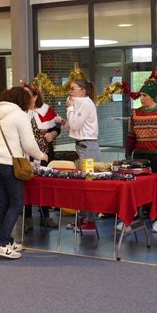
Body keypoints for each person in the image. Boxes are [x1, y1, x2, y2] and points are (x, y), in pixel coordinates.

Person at [0, 87, 48, 259]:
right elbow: (29, 144)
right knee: (16, 204)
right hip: (11, 164)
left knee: (4, 203)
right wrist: (42, 155)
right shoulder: (20, 116)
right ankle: (4, 243)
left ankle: (8, 240)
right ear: (22, 100)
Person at [125, 78, 157, 231]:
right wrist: (128, 154)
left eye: (145, 95)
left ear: (152, 96)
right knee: (138, 188)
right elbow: (131, 136)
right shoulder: (135, 114)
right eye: (141, 95)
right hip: (139, 157)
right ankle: (135, 216)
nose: (142, 98)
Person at [64, 77, 100, 231]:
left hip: (88, 147)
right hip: (82, 146)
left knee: (89, 183)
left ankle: (90, 220)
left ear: (83, 91)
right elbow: (75, 127)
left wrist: (69, 109)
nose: (70, 92)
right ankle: (83, 218)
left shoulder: (85, 103)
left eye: (73, 89)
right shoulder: (81, 104)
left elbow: (75, 123)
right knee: (82, 184)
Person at [23, 83, 61, 231]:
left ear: (35, 96)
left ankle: (45, 215)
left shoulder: (46, 111)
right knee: (26, 185)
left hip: (44, 153)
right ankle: (27, 218)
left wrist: (52, 134)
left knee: (44, 184)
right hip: (26, 154)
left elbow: (57, 127)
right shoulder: (20, 113)